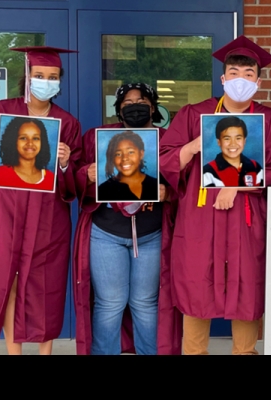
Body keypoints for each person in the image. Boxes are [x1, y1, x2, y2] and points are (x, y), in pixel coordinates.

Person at [159, 36, 271, 355]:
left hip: (246, 219)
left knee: (246, 289)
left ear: (258, 81)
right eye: (234, 73)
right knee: (195, 285)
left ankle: (244, 352)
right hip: (201, 217)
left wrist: (236, 184)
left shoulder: (269, 120)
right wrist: (192, 146)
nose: (240, 80)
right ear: (222, 78)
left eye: (248, 74)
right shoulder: (194, 114)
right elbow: (165, 159)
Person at [0, 46, 81, 355]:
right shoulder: (1, 112)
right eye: (40, 75)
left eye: (53, 77)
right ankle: (13, 351)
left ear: (59, 82)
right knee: (6, 279)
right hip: (5, 209)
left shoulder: (66, 123)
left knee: (46, 282)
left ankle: (45, 351)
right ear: (28, 77)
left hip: (48, 215)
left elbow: (76, 178)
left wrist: (67, 162)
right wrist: (3, 159)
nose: (46, 81)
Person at [73, 82, 183, 355]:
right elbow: (74, 176)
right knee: (109, 302)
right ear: (118, 110)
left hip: (152, 234)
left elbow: (186, 184)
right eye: (127, 103)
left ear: (153, 107)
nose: (134, 107)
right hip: (106, 233)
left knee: (145, 302)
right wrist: (86, 173)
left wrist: (168, 193)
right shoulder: (96, 138)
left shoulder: (166, 139)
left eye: (141, 101)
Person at [0, 116, 56, 191]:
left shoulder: (51, 178)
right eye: (23, 138)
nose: (30, 143)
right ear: (13, 141)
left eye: (35, 138)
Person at [97, 130, 160, 201]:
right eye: (118, 154)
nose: (124, 158)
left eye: (130, 152)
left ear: (141, 154)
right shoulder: (103, 191)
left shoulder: (157, 186)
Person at [202, 116, 264, 188]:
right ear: (219, 142)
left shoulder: (256, 167)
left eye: (238, 138)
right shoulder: (208, 172)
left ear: (244, 141)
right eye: (227, 138)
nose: (233, 144)